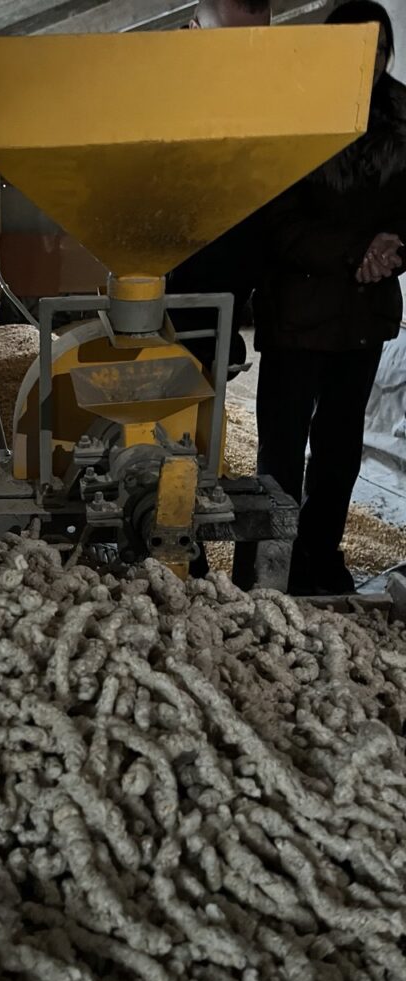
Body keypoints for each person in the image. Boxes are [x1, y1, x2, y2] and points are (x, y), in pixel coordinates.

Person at [254, 1, 406, 596]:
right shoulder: (293, 114)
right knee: (281, 450)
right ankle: (268, 564)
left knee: (340, 449)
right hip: (298, 310)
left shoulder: (402, 118)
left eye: (381, 51)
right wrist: (355, 250)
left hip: (364, 313)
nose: (371, 62)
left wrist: (394, 249)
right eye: (360, 48)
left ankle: (319, 555)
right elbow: (275, 219)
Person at [169, 0, 272, 579]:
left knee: (200, 432)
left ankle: (190, 552)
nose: (243, 57)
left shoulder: (259, 104)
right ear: (194, 30)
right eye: (230, 41)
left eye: (255, 43)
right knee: (168, 426)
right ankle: (177, 550)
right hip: (169, 291)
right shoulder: (163, 89)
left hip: (221, 303)